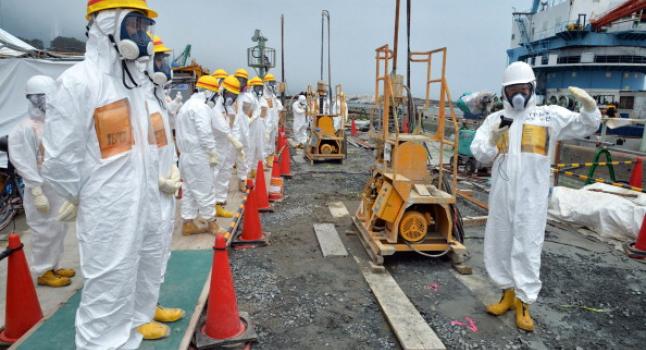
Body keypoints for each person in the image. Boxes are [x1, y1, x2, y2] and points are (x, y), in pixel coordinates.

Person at [42, 1, 169, 347]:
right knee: (110, 278)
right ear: (106, 25)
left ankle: (136, 324)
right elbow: (57, 156)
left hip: (141, 198)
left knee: (143, 262)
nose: (141, 36)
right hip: (108, 205)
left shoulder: (134, 87)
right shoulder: (79, 82)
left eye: (144, 27)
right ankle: (100, 343)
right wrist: (81, 196)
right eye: (133, 27)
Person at [470, 61, 601, 332]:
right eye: (512, 90)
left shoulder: (547, 116)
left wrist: (590, 107)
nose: (518, 95)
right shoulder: (495, 120)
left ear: (532, 89)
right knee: (501, 241)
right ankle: (506, 294)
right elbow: (479, 154)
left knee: (528, 246)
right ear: (505, 92)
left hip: (533, 197)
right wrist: (493, 140)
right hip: (503, 195)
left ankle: (524, 303)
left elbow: (586, 126)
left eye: (523, 89)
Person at [8, 75, 73, 288]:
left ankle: (54, 265)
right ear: (33, 99)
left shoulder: (52, 125)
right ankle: (43, 271)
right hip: (40, 189)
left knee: (58, 228)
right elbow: (24, 162)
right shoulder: (24, 129)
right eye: (43, 98)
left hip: (56, 187)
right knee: (44, 230)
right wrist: (36, 191)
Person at [142, 33, 185, 334]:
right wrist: (155, 178)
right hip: (146, 190)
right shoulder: (139, 99)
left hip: (162, 190)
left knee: (159, 249)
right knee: (143, 252)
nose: (165, 65)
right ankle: (137, 315)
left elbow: (162, 142)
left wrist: (172, 169)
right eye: (159, 60)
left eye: (165, 59)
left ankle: (149, 304)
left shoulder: (156, 98)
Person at [175, 74, 226, 236]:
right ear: (209, 93)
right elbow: (204, 132)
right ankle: (212, 224)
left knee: (189, 189)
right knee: (205, 188)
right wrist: (212, 152)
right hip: (198, 155)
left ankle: (188, 223)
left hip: (185, 155)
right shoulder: (201, 108)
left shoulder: (186, 105)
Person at [211, 75, 245, 212]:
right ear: (223, 91)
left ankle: (220, 201)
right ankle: (210, 205)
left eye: (234, 94)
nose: (231, 97)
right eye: (229, 93)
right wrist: (234, 141)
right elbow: (222, 127)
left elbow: (232, 124)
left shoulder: (227, 107)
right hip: (216, 146)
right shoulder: (216, 106)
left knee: (225, 172)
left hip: (225, 146)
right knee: (214, 174)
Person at [247, 76, 267, 177]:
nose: (259, 90)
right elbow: (247, 114)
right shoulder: (249, 98)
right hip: (250, 129)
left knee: (259, 148)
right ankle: (247, 173)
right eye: (257, 87)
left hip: (259, 128)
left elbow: (263, 114)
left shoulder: (260, 99)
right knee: (250, 150)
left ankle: (255, 170)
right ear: (253, 87)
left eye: (261, 87)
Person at [262, 73, 283, 165]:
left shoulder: (273, 97)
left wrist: (277, 122)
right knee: (265, 142)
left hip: (273, 124)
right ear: (266, 83)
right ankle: (263, 160)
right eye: (271, 82)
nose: (273, 85)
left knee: (271, 142)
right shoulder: (262, 97)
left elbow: (276, 111)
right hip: (265, 125)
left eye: (273, 82)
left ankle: (270, 159)